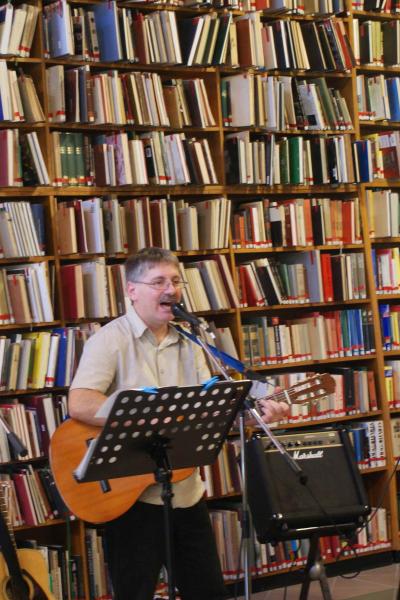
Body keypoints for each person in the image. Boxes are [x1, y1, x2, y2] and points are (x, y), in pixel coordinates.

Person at [69, 247, 289, 600]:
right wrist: (146, 416)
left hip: (186, 493)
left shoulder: (192, 342)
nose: (170, 290)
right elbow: (79, 403)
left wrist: (257, 414)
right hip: (131, 498)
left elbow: (209, 413)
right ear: (132, 290)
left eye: (175, 281)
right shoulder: (110, 340)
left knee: (208, 593)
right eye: (158, 282)